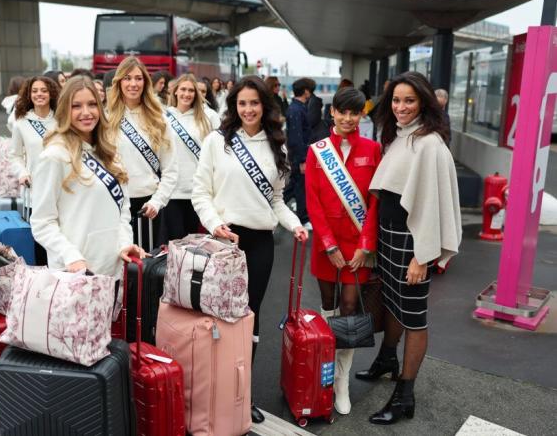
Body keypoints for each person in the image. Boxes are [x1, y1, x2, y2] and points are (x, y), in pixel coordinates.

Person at [191, 75, 308, 424]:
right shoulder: (217, 142)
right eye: (242, 103)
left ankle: (242, 396)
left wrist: (295, 224)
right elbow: (201, 192)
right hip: (223, 239)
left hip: (259, 244)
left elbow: (275, 200)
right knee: (216, 318)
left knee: (249, 320)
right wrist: (214, 224)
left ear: (265, 105)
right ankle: (212, 391)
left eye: (254, 103)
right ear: (234, 105)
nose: (248, 109)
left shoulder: (278, 146)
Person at [356, 71, 461, 425]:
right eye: (397, 100)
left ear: (423, 103)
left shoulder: (430, 143)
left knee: (414, 318)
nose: (401, 107)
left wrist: (422, 256)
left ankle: (405, 395)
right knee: (394, 305)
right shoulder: (401, 136)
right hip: (389, 237)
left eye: (409, 101)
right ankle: (387, 359)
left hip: (411, 243)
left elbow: (431, 205)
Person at [305, 86, 381, 415]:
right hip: (327, 245)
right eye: (343, 112)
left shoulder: (373, 149)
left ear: (361, 115)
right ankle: (326, 367)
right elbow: (313, 201)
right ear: (332, 112)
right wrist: (328, 244)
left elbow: (375, 201)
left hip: (358, 248)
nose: (349, 118)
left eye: (355, 113)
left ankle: (342, 380)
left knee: (350, 310)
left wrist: (366, 246)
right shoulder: (317, 151)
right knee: (329, 308)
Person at [30, 75, 145, 279]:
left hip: (113, 267)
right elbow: (42, 222)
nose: (86, 112)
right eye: (76, 106)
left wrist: (125, 243)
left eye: (92, 104)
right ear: (65, 109)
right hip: (74, 272)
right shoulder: (54, 156)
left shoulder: (110, 154)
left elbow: (122, 211)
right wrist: (71, 256)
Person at [107, 57, 177, 251]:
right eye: (127, 78)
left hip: (148, 208)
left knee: (145, 273)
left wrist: (157, 202)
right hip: (114, 204)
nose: (133, 84)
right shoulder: (106, 118)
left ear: (145, 82)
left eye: (138, 78)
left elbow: (171, 170)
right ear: (119, 82)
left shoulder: (159, 119)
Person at [161, 73, 220, 242]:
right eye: (183, 89)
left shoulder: (208, 116)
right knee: (175, 243)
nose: (187, 94)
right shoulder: (163, 116)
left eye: (191, 91)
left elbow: (219, 150)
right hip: (172, 191)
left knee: (196, 245)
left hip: (198, 191)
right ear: (175, 92)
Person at [10, 76, 59, 265]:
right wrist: (22, 172)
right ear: (29, 95)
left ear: (51, 93)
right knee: (40, 238)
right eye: (35, 91)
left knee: (59, 235)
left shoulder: (61, 118)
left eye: (44, 90)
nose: (39, 94)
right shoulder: (21, 122)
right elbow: (15, 155)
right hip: (35, 189)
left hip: (60, 187)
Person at [284, 77, 315, 227]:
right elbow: (297, 137)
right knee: (300, 186)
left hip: (298, 153)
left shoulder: (296, 108)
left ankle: (272, 207)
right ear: (306, 91)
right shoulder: (297, 109)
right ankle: (303, 218)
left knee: (295, 185)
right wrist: (303, 159)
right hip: (299, 155)